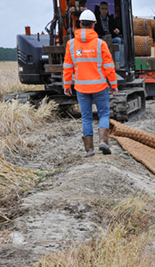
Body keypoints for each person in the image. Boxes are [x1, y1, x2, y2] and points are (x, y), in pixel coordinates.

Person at [63, 9, 118, 157]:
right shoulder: (101, 44)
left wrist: (67, 85)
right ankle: (103, 142)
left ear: (80, 24)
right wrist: (114, 85)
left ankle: (89, 150)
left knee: (86, 117)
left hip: (81, 87)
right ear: (94, 25)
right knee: (104, 114)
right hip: (100, 87)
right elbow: (109, 67)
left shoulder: (71, 44)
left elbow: (68, 67)